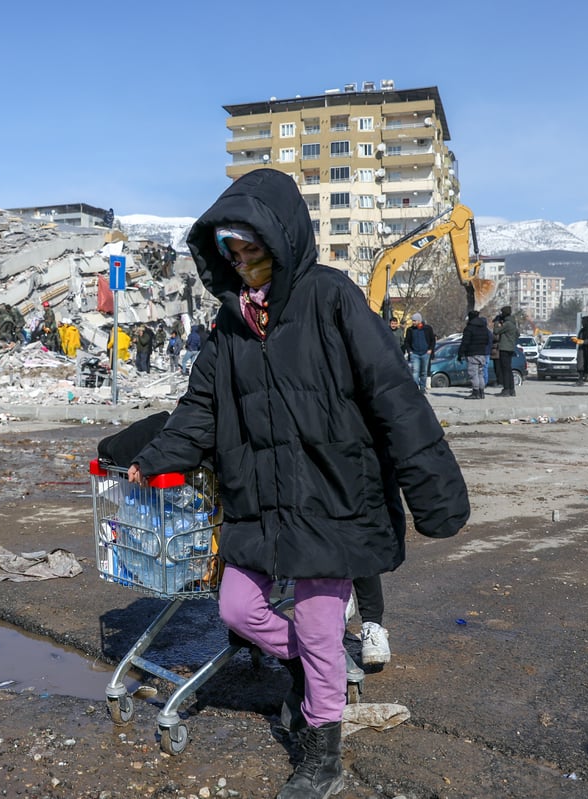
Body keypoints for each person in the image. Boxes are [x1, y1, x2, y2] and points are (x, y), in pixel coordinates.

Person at [126, 169, 469, 799]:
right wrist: (155, 457)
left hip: (335, 492)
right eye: (231, 252)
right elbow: (199, 409)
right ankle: (319, 671)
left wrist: (434, 493)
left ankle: (321, 754)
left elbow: (395, 393)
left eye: (251, 249)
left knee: (316, 622)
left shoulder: (332, 297)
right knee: (237, 608)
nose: (242, 262)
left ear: (282, 240)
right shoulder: (231, 325)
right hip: (261, 499)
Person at [458, 310, 492, 399]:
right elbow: (487, 340)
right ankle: (482, 392)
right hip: (482, 353)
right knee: (480, 373)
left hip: (472, 354)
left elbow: (465, 342)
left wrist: (460, 353)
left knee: (473, 374)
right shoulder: (484, 328)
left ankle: (475, 392)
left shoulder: (469, 328)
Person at [403, 313, 435, 393]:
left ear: (419, 320)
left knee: (424, 372)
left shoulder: (427, 329)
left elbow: (432, 340)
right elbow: (406, 342)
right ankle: (415, 388)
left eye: (414, 321)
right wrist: (410, 351)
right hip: (415, 354)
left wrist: (430, 349)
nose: (413, 322)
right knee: (415, 371)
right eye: (412, 321)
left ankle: (422, 388)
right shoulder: (410, 330)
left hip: (425, 353)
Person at [492, 305, 519, 397]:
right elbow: (517, 334)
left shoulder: (507, 324)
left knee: (505, 370)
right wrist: (511, 341)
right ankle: (512, 390)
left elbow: (496, 331)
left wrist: (496, 323)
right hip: (510, 348)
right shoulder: (513, 323)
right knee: (508, 369)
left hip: (504, 348)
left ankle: (506, 389)